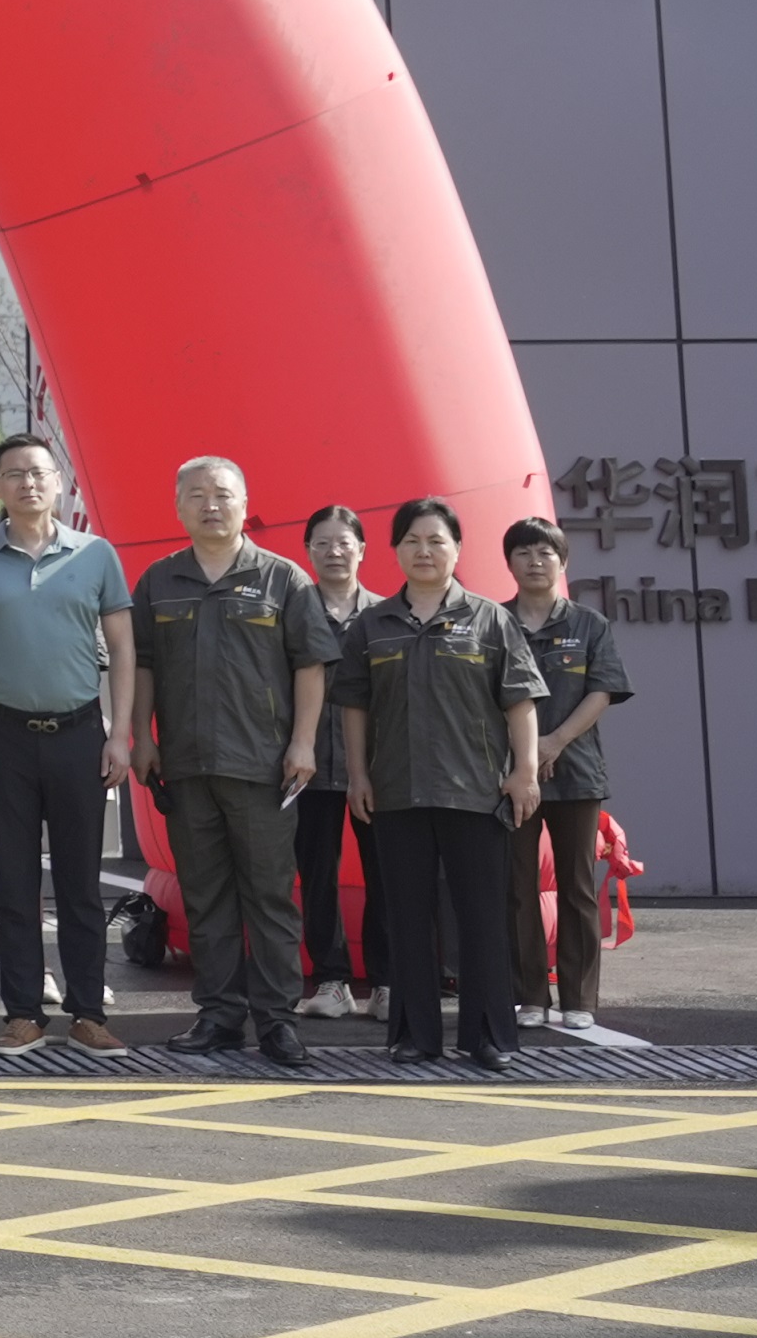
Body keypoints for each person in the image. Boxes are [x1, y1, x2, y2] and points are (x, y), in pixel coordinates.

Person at [129, 453, 336, 1066]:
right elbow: (141, 665)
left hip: (262, 767)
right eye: (196, 496)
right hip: (186, 766)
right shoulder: (159, 581)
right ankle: (218, 1014)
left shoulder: (283, 579)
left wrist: (303, 742)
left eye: (222, 494)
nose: (210, 505)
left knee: (269, 896)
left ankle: (276, 1020)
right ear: (178, 508)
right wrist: (141, 736)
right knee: (206, 895)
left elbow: (311, 665)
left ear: (245, 505)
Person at [0, 433, 137, 1053]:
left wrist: (120, 733)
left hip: (80, 735)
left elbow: (124, 649)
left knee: (81, 884)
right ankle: (22, 1011)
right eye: (15, 474)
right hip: (2, 736)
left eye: (39, 472)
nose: (28, 483)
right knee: (15, 885)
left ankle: (88, 1013)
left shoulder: (96, 554)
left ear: (59, 483)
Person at [336, 497, 544, 1072]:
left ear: (457, 549)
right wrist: (358, 774)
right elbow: (354, 705)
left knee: (482, 917)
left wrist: (525, 772)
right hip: (396, 791)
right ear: (395, 550)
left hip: (476, 792)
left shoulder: (490, 620)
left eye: (436, 540)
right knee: (407, 916)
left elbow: (520, 701)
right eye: (412, 541)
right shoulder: (372, 625)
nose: (424, 551)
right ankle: (415, 1035)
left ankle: (488, 1035)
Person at [497, 517, 638, 1033]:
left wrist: (554, 741)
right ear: (509, 562)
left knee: (577, 886)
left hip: (576, 771)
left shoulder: (589, 624)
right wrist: (525, 755)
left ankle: (579, 997)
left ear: (563, 563)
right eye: (524, 552)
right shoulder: (494, 622)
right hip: (510, 775)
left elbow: (602, 691)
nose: (535, 562)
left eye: (546, 553)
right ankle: (530, 995)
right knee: (517, 886)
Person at [290, 503, 382, 1017]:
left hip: (376, 767)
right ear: (307, 552)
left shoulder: (386, 614)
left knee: (385, 875)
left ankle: (387, 981)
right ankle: (332, 981)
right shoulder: (293, 610)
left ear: (362, 550)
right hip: (309, 766)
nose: (334, 552)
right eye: (321, 543)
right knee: (317, 875)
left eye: (344, 542)